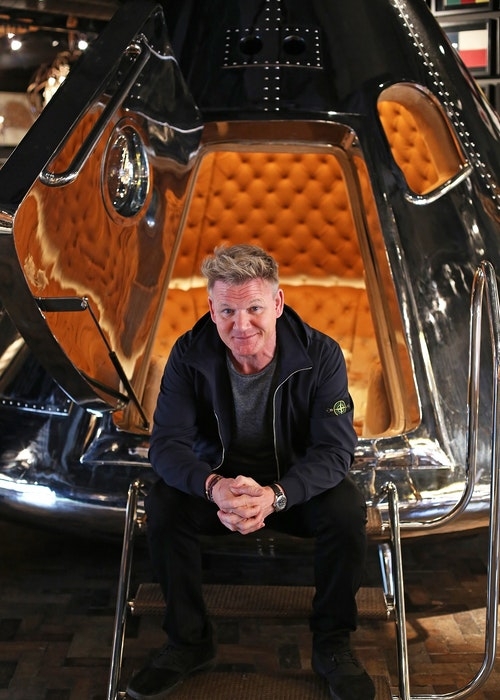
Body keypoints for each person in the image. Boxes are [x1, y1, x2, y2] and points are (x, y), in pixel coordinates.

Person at [126, 244, 375, 700]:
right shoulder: (188, 354)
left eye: (254, 308)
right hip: (219, 488)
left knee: (345, 510)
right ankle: (188, 642)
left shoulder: (322, 354)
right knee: (163, 504)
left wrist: (276, 495)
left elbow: (335, 450)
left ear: (277, 303)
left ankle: (332, 643)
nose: (241, 325)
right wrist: (213, 486)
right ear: (211, 309)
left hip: (291, 489)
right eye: (227, 311)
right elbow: (166, 446)